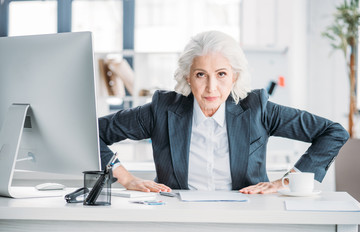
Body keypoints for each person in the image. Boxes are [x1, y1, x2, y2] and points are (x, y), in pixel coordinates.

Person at [98, 31, 349, 194]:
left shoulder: (256, 108)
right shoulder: (162, 109)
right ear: (188, 77)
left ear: (234, 77)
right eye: (200, 75)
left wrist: (285, 181)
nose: (211, 87)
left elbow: (332, 132)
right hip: (177, 221)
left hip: (245, 219)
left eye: (221, 74)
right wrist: (126, 178)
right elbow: (91, 133)